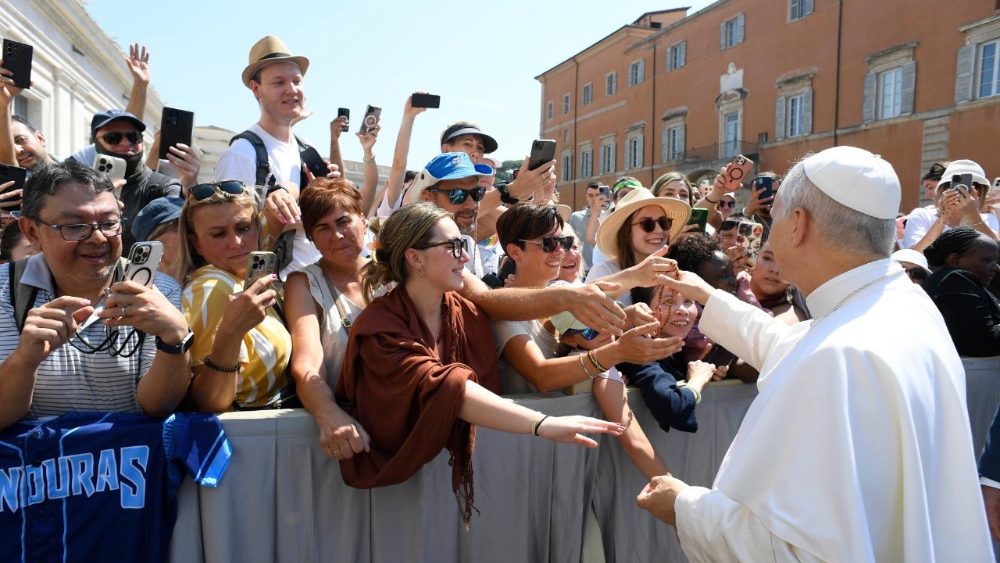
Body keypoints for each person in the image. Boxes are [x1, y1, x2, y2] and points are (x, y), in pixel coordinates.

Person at [635, 146, 992, 561]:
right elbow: (792, 347)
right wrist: (709, 297)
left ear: (798, 224)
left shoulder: (841, 354)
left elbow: (794, 552)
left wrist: (683, 507)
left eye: (776, 216)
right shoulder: (902, 303)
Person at [334, 202, 624, 524]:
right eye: (454, 246)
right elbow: (448, 387)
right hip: (399, 494)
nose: (467, 257)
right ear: (415, 258)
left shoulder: (465, 311)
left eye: (464, 244)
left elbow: (491, 313)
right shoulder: (379, 328)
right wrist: (542, 424)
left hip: (465, 486)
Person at [0, 161, 192, 430]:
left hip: (128, 467)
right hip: (36, 467)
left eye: (109, 223)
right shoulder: (4, 291)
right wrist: (24, 360)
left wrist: (175, 338)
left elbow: (158, 406)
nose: (98, 238)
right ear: (32, 231)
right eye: (75, 226)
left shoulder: (159, 291)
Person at [214, 35, 337, 279]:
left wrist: (326, 196)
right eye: (279, 82)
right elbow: (229, 238)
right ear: (256, 89)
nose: (291, 90)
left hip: (321, 282)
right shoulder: (241, 153)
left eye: (297, 81)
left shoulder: (306, 149)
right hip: (276, 292)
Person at [178, 181, 290, 411]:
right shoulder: (212, 288)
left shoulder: (243, 279)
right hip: (246, 436)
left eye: (243, 228)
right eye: (218, 234)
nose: (236, 242)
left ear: (258, 227)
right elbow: (209, 400)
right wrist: (231, 331)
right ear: (196, 243)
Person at [284, 178, 371, 459]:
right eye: (323, 228)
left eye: (343, 221)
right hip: (346, 435)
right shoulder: (303, 283)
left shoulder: (398, 271)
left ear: (364, 220)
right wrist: (327, 412)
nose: (337, 235)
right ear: (311, 239)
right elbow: (307, 361)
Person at [84, 109, 189, 249]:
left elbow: (178, 230)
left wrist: (190, 186)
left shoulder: (162, 186)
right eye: (113, 137)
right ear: (95, 143)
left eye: (134, 137)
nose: (125, 143)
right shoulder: (80, 188)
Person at [585, 186, 691, 307]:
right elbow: (583, 315)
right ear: (626, 232)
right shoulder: (605, 272)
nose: (659, 230)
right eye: (647, 224)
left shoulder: (678, 269)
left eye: (664, 222)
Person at [922, 227, 1000, 357]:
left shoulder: (949, 278)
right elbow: (984, 342)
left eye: (996, 261)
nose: (996, 268)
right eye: (987, 260)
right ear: (954, 260)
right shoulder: (955, 280)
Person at [903, 159, 998, 251]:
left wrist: (975, 218)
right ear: (942, 189)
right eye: (951, 185)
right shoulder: (922, 215)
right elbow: (913, 257)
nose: (963, 190)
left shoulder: (989, 219)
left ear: (981, 192)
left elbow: (997, 253)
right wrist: (942, 217)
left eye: (974, 186)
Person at [131, 196, 184, 281]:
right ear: (155, 243)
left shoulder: (207, 275)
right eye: (178, 227)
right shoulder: (140, 289)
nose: (191, 232)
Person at [568, 182, 603, 273]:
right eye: (590, 195)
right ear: (586, 196)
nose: (594, 199)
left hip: (604, 268)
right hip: (582, 270)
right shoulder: (575, 217)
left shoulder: (609, 216)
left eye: (597, 195)